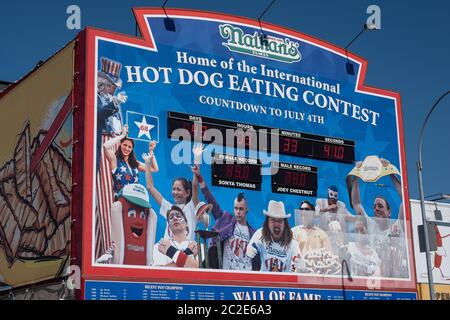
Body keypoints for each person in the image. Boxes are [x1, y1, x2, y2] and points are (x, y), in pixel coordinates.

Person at [190, 145, 259, 271]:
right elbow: (210, 199)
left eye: (241, 209)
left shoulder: (253, 233)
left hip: (246, 275)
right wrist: (199, 177)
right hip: (227, 273)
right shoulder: (226, 220)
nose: (238, 212)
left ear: (246, 210)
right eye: (236, 208)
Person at [347, 158, 407, 277]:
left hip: (397, 275)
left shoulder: (398, 225)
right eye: (374, 206)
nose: (377, 209)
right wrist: (357, 174)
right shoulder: (370, 225)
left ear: (389, 212)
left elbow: (405, 199)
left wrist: (390, 172)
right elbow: (356, 204)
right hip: (375, 275)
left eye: (380, 206)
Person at [145, 146, 197, 241]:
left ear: (188, 193)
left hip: (186, 254)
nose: (175, 192)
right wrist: (148, 164)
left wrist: (197, 159)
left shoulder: (192, 208)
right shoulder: (168, 208)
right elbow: (150, 187)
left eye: (179, 189)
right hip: (167, 254)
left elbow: (194, 185)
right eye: (173, 189)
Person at [106, 183, 157, 266]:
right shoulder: (107, 242)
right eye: (132, 215)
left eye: (142, 216)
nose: (138, 221)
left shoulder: (155, 249)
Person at [246, 200, 301, 273]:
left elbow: (297, 261)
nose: (277, 224)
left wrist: (297, 267)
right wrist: (250, 249)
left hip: (284, 282)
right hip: (264, 281)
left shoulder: (292, 241)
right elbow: (250, 250)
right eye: (273, 220)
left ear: (285, 223)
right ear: (267, 222)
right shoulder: (260, 234)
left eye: (280, 221)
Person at [103, 124, 158, 194]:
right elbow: (105, 146)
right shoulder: (115, 160)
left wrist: (151, 151)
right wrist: (122, 136)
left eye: (129, 147)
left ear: (132, 149)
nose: (126, 148)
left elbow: (154, 169)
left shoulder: (134, 163)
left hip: (135, 200)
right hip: (121, 200)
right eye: (125, 145)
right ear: (120, 145)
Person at [96, 57, 128, 168]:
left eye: (114, 87)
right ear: (101, 84)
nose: (113, 90)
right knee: (106, 172)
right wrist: (115, 103)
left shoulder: (114, 101)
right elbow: (100, 114)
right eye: (110, 85)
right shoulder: (97, 98)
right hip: (104, 142)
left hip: (116, 142)